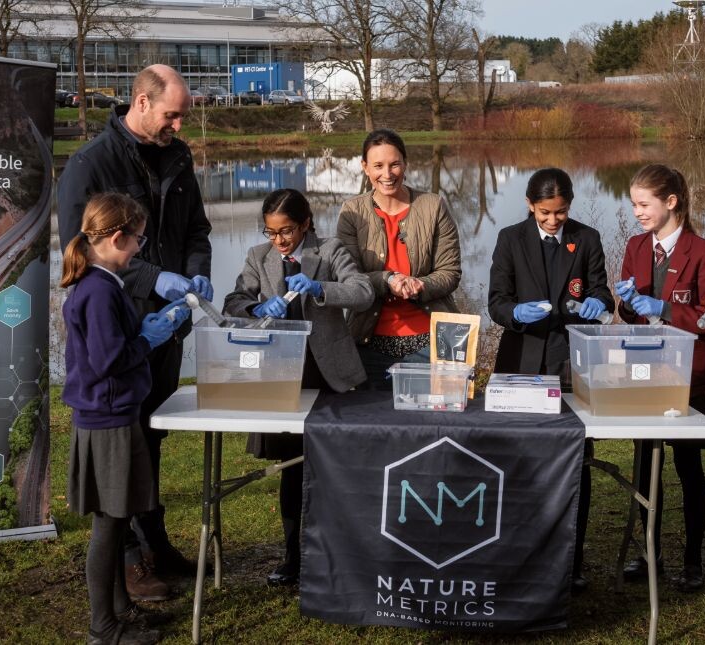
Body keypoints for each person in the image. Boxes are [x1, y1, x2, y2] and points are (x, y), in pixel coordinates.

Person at [57, 64, 211, 597]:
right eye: (172, 114)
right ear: (141, 103)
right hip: (120, 328)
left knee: (151, 438)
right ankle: (126, 560)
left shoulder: (178, 157)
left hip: (167, 326)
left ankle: (154, 541)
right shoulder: (89, 165)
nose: (178, 124)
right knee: (122, 442)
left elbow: (197, 229)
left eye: (182, 116)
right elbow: (79, 249)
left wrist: (195, 277)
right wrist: (153, 279)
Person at [221, 188, 373, 586]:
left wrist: (320, 289)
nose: (279, 240)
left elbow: (362, 292)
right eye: (271, 232)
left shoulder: (331, 249)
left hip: (327, 375)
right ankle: (294, 555)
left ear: (305, 223)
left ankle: (341, 553)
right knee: (292, 468)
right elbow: (233, 300)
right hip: (281, 375)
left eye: (286, 231)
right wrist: (255, 308)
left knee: (331, 465)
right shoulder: (258, 256)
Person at [61, 193, 190, 645]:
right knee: (109, 526)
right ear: (117, 238)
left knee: (116, 521)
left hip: (111, 414)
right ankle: (104, 629)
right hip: (107, 419)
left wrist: (150, 325)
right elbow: (108, 360)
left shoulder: (102, 283)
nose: (139, 249)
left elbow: (112, 343)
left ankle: (119, 610)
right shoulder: (98, 291)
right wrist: (148, 340)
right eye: (138, 240)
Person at [486, 167, 612, 592]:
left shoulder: (587, 238)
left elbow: (602, 291)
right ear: (529, 205)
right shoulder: (510, 239)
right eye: (545, 212)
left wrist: (598, 303)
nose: (553, 220)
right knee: (517, 459)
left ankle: (572, 561)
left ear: (569, 206)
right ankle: (516, 556)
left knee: (576, 460)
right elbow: (496, 302)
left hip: (570, 365)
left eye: (560, 212)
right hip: (520, 363)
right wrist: (515, 314)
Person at [612, 164, 705, 592]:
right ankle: (650, 554)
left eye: (644, 204)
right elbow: (630, 315)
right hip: (643, 375)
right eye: (634, 204)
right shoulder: (635, 246)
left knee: (688, 468)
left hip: (686, 380)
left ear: (671, 202)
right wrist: (627, 303)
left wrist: (663, 309)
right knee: (645, 468)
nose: (637, 212)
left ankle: (693, 560)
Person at [336, 129, 461, 388]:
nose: (387, 174)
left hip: (433, 343)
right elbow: (349, 279)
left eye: (394, 164)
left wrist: (421, 285)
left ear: (405, 163)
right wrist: (388, 280)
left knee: (437, 413)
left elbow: (450, 272)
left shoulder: (433, 206)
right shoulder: (351, 212)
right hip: (368, 345)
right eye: (378, 166)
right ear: (365, 167)